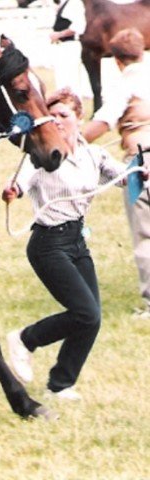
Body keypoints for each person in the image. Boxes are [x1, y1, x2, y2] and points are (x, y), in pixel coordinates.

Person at [3, 87, 149, 401]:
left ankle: (60, 384)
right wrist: (12, 189)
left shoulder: (92, 155)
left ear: (78, 118)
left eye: (63, 115)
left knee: (91, 318)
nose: (56, 121)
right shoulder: (42, 158)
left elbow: (123, 176)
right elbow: (21, 181)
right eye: (52, 116)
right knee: (85, 313)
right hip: (48, 244)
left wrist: (141, 171)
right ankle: (25, 340)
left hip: (77, 241)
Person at [82, 28, 150, 319]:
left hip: (141, 162)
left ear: (118, 60)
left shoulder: (125, 84)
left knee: (145, 233)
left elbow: (102, 123)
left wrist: (71, 142)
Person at [48, 0, 91, 99]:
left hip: (70, 46)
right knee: (62, 80)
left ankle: (75, 106)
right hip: (61, 46)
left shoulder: (74, 3)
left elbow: (78, 27)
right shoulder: (62, 4)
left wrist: (58, 34)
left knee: (71, 80)